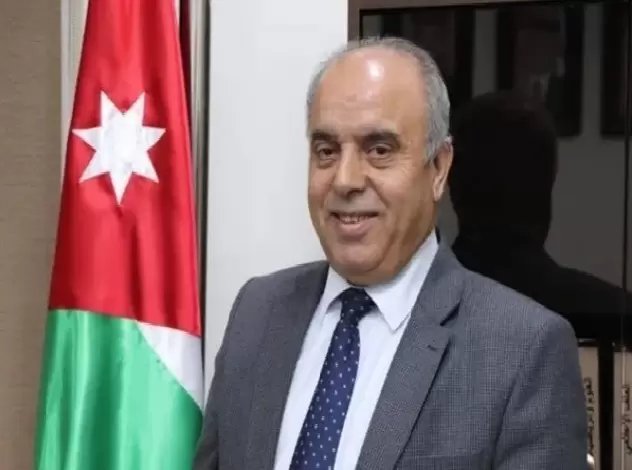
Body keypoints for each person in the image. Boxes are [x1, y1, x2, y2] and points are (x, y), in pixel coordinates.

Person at [193, 38, 587, 470]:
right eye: (326, 151)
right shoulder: (257, 313)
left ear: (439, 168)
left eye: (379, 150)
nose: (345, 180)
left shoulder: (524, 350)